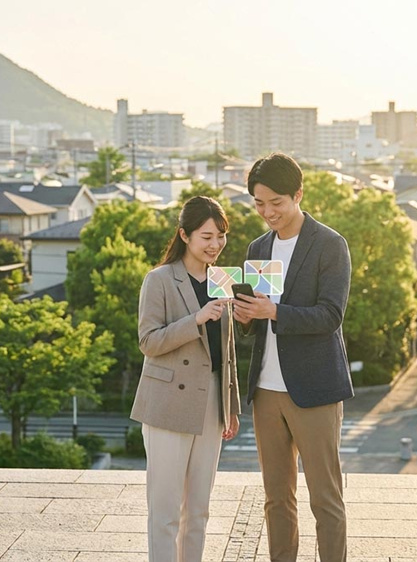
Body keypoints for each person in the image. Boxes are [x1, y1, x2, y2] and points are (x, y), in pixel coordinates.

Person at [233, 153, 353, 562]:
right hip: (265, 389)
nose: (268, 212)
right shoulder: (258, 246)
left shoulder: (329, 244)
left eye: (276, 203)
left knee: (325, 498)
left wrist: (275, 312)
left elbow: (331, 314)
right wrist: (244, 314)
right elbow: (255, 321)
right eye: (259, 203)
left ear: (298, 194)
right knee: (275, 498)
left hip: (315, 388)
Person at [131, 195, 241, 562]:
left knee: (199, 509)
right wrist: (195, 319)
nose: (215, 244)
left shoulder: (223, 279)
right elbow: (148, 341)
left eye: (221, 236)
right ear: (185, 235)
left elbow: (228, 353)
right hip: (167, 404)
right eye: (207, 236)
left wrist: (232, 407)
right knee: (164, 511)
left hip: (211, 402)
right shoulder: (159, 279)